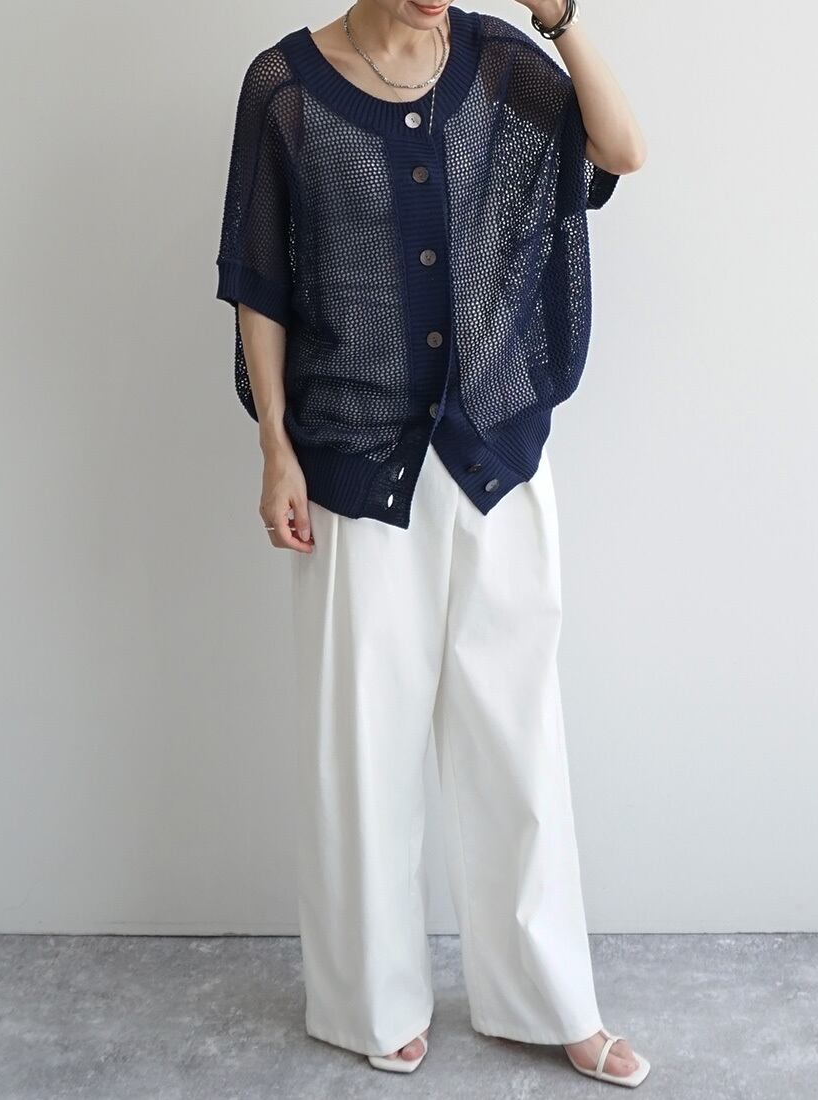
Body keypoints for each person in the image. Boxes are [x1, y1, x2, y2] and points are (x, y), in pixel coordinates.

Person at [215, 0, 649, 1086]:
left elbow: (620, 150)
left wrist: (560, 19)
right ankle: (372, 996)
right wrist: (274, 446)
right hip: (354, 461)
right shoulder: (284, 88)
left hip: (494, 452)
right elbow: (258, 282)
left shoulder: (503, 63)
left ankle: (547, 995)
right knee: (361, 744)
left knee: (517, 739)